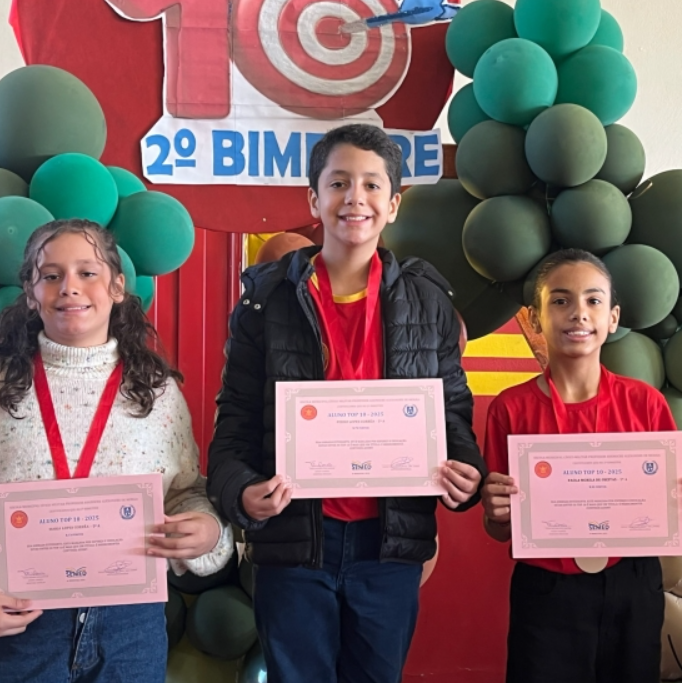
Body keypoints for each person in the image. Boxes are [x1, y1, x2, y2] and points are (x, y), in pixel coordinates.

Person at [207, 123, 486, 683]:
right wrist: (241, 492)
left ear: (394, 204)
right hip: (294, 543)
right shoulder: (265, 301)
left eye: (372, 185)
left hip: (388, 547)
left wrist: (467, 473)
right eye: (338, 183)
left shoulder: (428, 300)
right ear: (314, 200)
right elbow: (234, 420)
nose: (355, 198)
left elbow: (452, 410)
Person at [0, 218, 232, 683]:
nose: (69, 287)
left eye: (87, 272)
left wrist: (205, 530)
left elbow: (184, 492)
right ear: (30, 291)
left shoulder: (155, 392)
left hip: (131, 631)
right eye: (51, 275)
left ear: (117, 286)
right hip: (23, 626)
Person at [481, 248, 682, 683]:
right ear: (535, 318)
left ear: (613, 318)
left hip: (632, 586)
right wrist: (496, 514)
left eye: (593, 300)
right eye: (560, 300)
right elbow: (499, 529)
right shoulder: (510, 409)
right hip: (547, 593)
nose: (578, 313)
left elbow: (681, 510)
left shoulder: (644, 403)